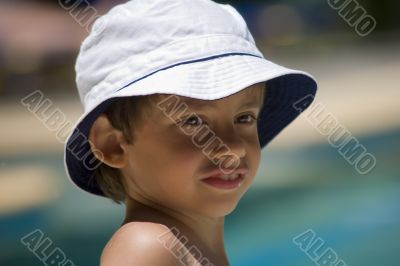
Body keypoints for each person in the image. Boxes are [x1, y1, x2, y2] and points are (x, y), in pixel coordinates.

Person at [64, 0, 317, 265]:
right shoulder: (146, 247)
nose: (232, 148)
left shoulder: (181, 246)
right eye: (193, 121)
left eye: (244, 117)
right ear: (113, 144)